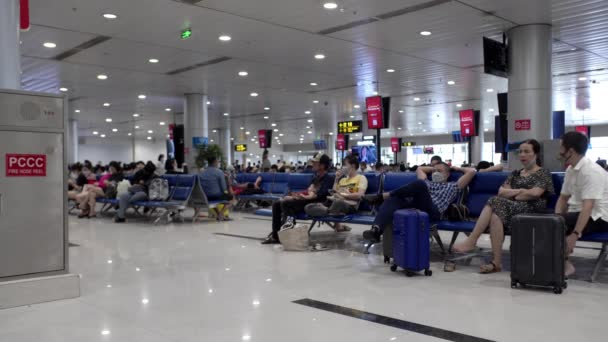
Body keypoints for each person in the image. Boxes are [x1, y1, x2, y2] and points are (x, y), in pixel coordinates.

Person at [453, 140, 555, 273]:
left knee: (494, 201)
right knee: (495, 217)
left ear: (536, 154)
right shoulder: (515, 174)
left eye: (527, 151)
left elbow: (536, 194)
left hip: (532, 211)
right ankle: (496, 263)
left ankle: (472, 239)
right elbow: (502, 192)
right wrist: (521, 192)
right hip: (511, 209)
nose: (522, 155)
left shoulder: (543, 173)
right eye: (520, 152)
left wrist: (513, 193)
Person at [362, 162, 477, 243]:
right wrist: (434, 168)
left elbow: (472, 171)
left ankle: (382, 196)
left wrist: (455, 168)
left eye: (439, 171)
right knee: (395, 198)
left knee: (420, 184)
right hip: (417, 206)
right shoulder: (428, 181)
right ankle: (376, 230)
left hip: (433, 211)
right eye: (434, 171)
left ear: (447, 174)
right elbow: (419, 169)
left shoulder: (453, 186)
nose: (435, 173)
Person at [554, 132, 608, 276]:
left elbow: (588, 207)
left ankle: (565, 266)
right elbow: (563, 198)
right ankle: (562, 263)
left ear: (570, 150)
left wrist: (575, 234)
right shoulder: (571, 170)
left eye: (561, 147)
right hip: (579, 213)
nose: (559, 151)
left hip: (599, 217)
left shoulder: (591, 172)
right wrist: (557, 218)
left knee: (554, 224)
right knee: (548, 221)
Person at [262, 153, 334, 244]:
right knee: (276, 204)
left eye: (315, 162)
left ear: (322, 165)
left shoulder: (328, 178)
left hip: (316, 203)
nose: (312, 164)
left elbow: (318, 196)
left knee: (286, 204)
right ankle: (276, 236)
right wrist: (295, 196)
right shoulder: (316, 177)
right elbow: (309, 191)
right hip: (307, 200)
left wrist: (299, 197)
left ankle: (288, 230)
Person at [305, 155, 368, 232]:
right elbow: (334, 192)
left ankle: (328, 211)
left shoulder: (361, 178)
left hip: (349, 205)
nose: (343, 167)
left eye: (345, 165)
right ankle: (331, 211)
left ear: (353, 165)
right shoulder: (343, 179)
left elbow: (360, 195)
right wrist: (336, 179)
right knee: (308, 207)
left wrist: (344, 195)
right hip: (334, 202)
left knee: (338, 202)